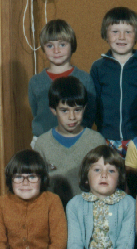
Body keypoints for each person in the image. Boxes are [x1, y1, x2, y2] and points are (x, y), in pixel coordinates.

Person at [90, 7, 137, 153]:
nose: (121, 37)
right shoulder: (98, 67)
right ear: (105, 34)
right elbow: (92, 104)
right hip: (107, 138)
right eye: (115, 31)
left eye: (128, 32)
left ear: (136, 35)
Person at [33, 76, 108, 206]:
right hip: (54, 214)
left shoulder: (96, 141)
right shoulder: (42, 144)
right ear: (53, 110)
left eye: (77, 110)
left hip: (88, 213)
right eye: (64, 110)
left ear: (84, 108)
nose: (72, 117)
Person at [28, 19, 95, 144]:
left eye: (62, 44)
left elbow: (90, 113)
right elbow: (36, 111)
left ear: (72, 45)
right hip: (43, 140)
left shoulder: (84, 79)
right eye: (50, 46)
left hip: (77, 139)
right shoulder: (35, 82)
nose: (56, 50)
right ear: (43, 48)